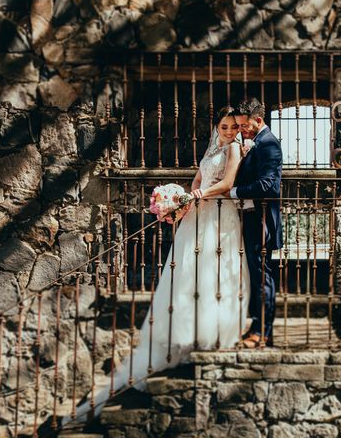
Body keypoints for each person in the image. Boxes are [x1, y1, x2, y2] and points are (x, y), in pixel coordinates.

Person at [70, 106, 250, 421]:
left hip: (220, 212)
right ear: (216, 127)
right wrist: (180, 202)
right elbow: (198, 177)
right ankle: (187, 331)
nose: (229, 132)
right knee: (188, 274)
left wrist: (198, 196)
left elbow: (227, 183)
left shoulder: (234, 148)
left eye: (234, 127)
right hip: (198, 212)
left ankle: (213, 332)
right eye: (225, 127)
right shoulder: (213, 148)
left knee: (213, 271)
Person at [230, 98, 283, 348]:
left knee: (263, 278)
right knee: (256, 276)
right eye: (239, 126)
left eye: (244, 125)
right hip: (251, 218)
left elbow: (268, 185)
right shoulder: (256, 142)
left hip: (261, 220)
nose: (241, 130)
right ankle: (257, 328)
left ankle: (263, 333)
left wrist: (235, 192)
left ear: (258, 120)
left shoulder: (269, 144)